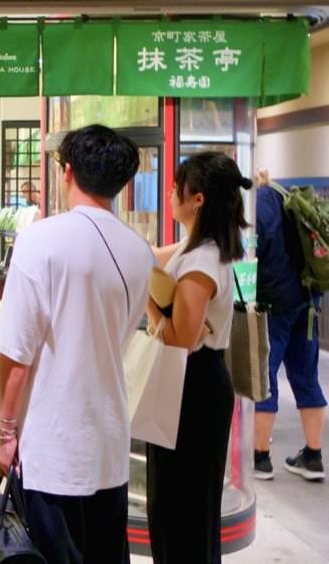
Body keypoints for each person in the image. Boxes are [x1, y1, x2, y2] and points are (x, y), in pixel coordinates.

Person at [0, 124, 152, 563]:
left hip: (52, 443)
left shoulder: (39, 239)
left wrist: (6, 432)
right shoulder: (139, 251)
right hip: (110, 439)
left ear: (67, 172)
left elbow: (16, 352)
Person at [145, 152, 252, 563]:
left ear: (199, 200)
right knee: (181, 505)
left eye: (178, 186)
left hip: (193, 387)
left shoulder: (202, 262)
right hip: (192, 385)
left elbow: (179, 340)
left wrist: (147, 304)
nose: (171, 192)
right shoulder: (197, 245)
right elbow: (152, 255)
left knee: (181, 509)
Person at [253, 170, 325, 481]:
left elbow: (252, 253)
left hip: (274, 305)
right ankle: (313, 456)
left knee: (264, 378)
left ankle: (260, 458)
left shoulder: (256, 204)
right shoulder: (286, 196)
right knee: (307, 378)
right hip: (308, 301)